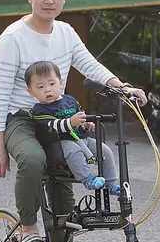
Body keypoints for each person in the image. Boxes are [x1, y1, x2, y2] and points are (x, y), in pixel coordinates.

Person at [0, 0, 146, 242]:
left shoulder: (66, 33)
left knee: (66, 206)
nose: (49, 0)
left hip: (58, 117)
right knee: (33, 159)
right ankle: (28, 230)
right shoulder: (11, 39)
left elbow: (89, 65)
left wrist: (121, 87)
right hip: (22, 118)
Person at [25, 60, 120, 195]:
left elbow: (81, 115)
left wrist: (86, 123)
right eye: (40, 87)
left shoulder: (70, 100)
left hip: (83, 138)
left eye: (52, 84)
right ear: (31, 92)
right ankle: (88, 179)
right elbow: (53, 126)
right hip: (61, 143)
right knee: (73, 151)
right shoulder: (39, 110)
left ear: (60, 83)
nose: (47, 89)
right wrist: (71, 122)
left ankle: (111, 184)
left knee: (105, 150)